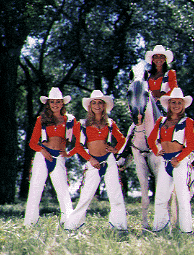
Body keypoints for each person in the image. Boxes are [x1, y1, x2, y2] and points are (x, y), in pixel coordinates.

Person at [64, 90, 127, 231]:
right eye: (94, 103)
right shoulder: (82, 124)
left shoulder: (110, 123)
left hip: (109, 161)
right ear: (90, 106)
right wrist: (90, 159)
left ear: (104, 106)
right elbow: (78, 147)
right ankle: (73, 225)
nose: (97, 105)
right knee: (86, 195)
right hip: (93, 162)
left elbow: (122, 139)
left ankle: (119, 226)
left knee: (115, 194)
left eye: (100, 103)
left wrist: (115, 149)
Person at [24, 87, 77, 226]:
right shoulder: (41, 120)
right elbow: (32, 143)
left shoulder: (70, 120)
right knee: (35, 189)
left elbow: (80, 140)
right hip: (42, 156)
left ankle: (69, 223)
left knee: (63, 190)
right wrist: (43, 151)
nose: (55, 104)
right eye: (52, 102)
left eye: (58, 102)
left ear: (62, 103)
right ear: (48, 104)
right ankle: (29, 223)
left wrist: (69, 153)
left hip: (58, 157)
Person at [147, 88, 194, 233]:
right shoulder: (161, 121)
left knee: (182, 197)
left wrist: (179, 158)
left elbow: (191, 144)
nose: (176, 105)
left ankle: (186, 230)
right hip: (165, 162)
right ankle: (159, 228)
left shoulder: (187, 122)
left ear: (183, 105)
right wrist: (157, 151)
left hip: (180, 162)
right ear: (168, 104)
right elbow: (151, 139)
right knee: (161, 197)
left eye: (179, 102)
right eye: (173, 102)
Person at [145, 45, 178, 113]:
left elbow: (174, 89)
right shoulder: (147, 74)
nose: (158, 59)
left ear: (165, 59)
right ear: (152, 60)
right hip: (150, 102)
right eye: (156, 57)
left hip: (165, 103)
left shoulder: (170, 73)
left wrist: (161, 98)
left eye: (161, 57)